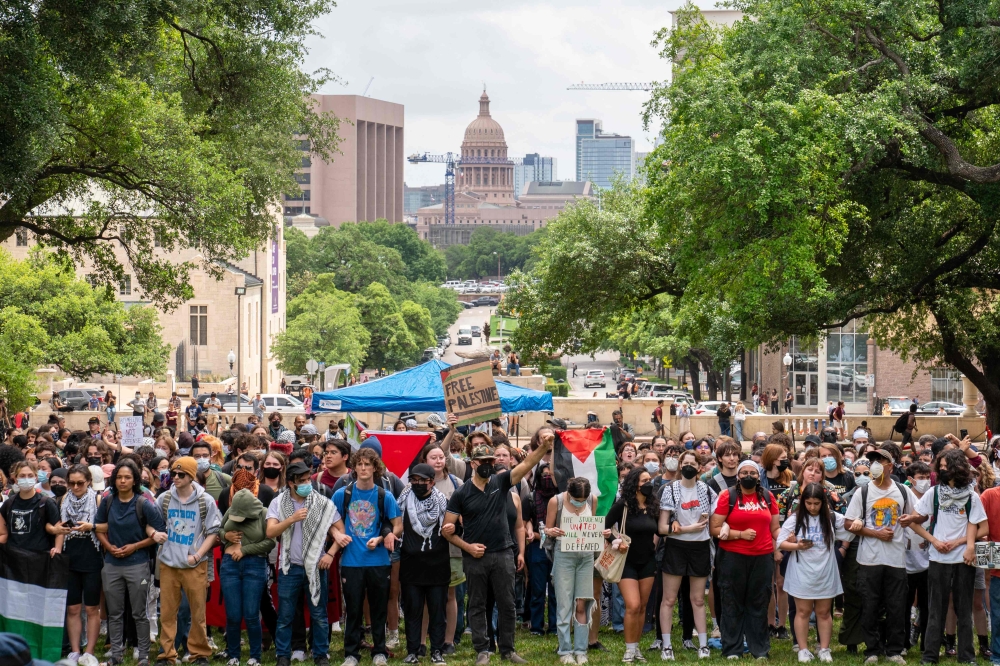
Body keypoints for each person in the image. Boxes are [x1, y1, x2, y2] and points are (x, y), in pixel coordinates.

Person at [442, 435, 552, 666]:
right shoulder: (461, 493)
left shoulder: (500, 483)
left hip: (503, 553)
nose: (489, 465)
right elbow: (446, 530)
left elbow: (526, 465)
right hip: (475, 557)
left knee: (507, 604)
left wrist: (543, 447)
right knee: (477, 604)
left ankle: (508, 650)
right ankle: (482, 650)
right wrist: (468, 547)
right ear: (473, 463)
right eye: (483, 461)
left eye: (491, 462)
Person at [905, 449, 985, 664]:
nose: (941, 470)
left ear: (958, 467)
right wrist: (934, 541)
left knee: (963, 608)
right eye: (939, 466)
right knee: (935, 609)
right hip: (938, 559)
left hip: (963, 559)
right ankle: (930, 655)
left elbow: (979, 526)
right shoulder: (934, 493)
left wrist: (964, 545)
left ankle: (966, 656)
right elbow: (915, 521)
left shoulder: (971, 495)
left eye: (945, 466)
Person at [330, 448, 402, 666]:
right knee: (352, 609)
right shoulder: (343, 494)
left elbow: (398, 525)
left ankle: (379, 651)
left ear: (375, 467)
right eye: (359, 464)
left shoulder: (384, 495)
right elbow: (330, 522)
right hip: (351, 561)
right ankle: (351, 653)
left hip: (378, 560)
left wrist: (383, 538)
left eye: (367, 464)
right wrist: (337, 534)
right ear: (354, 467)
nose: (363, 468)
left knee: (379, 608)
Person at [844, 447, 916, 664]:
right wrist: (875, 533)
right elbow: (849, 523)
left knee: (896, 605)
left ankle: (894, 650)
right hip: (869, 559)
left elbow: (918, 515)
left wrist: (909, 519)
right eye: (872, 460)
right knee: (870, 605)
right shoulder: (863, 492)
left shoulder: (903, 491)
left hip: (896, 559)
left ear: (890, 466)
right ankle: (872, 650)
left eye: (880, 460)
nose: (875, 464)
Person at [267, 460, 340, 666]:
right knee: (286, 615)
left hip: (316, 566)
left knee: (319, 614)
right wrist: (291, 519)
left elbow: (340, 530)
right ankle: (283, 654)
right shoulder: (278, 503)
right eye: (302, 481)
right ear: (291, 483)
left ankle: (320, 655)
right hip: (290, 566)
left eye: (309, 479)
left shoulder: (322, 502)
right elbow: (270, 531)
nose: (307, 483)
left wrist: (331, 554)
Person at [94, 459, 165, 666]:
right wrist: (108, 547)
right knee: (115, 613)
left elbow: (159, 532)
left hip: (138, 563)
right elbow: (98, 528)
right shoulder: (108, 501)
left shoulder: (144, 503)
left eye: (127, 477)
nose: (122, 481)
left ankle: (143, 655)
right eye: (119, 477)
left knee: (138, 612)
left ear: (135, 480)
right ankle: (116, 654)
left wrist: (135, 546)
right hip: (112, 564)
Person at [710, 460, 780, 659]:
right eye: (744, 472)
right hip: (732, 557)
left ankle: (760, 649)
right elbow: (714, 529)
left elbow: (775, 528)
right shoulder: (727, 496)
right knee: (732, 601)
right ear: (738, 476)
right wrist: (739, 534)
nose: (748, 476)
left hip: (762, 557)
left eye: (753, 472)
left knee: (759, 602)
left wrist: (787, 538)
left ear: (759, 476)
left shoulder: (767, 496)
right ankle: (733, 649)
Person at [156, 456, 223, 666]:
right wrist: (154, 534)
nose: (175, 477)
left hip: (195, 564)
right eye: (173, 474)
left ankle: (199, 654)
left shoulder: (205, 501)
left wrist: (197, 555)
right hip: (168, 563)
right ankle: (167, 654)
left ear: (191, 476)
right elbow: (154, 524)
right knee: (167, 612)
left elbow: (214, 531)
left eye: (180, 474)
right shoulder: (164, 499)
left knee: (197, 612)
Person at [777, 482, 853, 663]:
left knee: (824, 612)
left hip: (825, 571)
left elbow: (850, 528)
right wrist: (797, 545)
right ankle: (803, 650)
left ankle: (824, 648)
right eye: (808, 503)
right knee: (802, 612)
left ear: (823, 502)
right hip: (802, 571)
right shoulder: (795, 519)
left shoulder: (833, 518)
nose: (812, 507)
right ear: (803, 502)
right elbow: (781, 543)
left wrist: (857, 522)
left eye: (816, 504)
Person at [658, 450, 717, 660]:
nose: (689, 466)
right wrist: (685, 529)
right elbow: (662, 527)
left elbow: (716, 520)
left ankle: (703, 645)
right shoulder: (670, 490)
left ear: (700, 467)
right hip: (676, 547)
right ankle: (666, 646)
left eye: (693, 463)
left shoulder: (707, 491)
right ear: (680, 465)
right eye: (686, 463)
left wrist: (723, 528)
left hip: (700, 547)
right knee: (669, 598)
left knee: (698, 599)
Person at [604, 466, 660, 663]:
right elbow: (605, 526)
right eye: (644, 481)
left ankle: (636, 648)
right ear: (634, 484)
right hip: (626, 561)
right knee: (633, 605)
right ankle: (628, 650)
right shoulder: (624, 505)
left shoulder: (654, 505)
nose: (648, 483)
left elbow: (660, 530)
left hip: (648, 561)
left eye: (649, 480)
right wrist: (615, 541)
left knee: (643, 607)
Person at [397, 464, 450, 665]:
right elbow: (393, 523)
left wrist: (455, 527)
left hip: (438, 565)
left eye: (422, 480)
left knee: (437, 611)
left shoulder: (443, 502)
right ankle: (412, 651)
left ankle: (437, 651)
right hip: (411, 565)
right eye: (414, 480)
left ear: (432, 482)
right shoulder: (403, 500)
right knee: (413, 610)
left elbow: (456, 529)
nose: (418, 484)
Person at [543, 477, 597, 664]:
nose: (580, 502)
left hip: (586, 555)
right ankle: (565, 650)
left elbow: (592, 527)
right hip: (564, 554)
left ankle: (581, 650)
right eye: (576, 499)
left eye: (583, 500)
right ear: (569, 493)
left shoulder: (592, 500)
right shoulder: (556, 501)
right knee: (565, 605)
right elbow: (546, 529)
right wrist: (551, 532)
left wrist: (601, 533)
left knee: (583, 602)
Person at [220, 488, 276, 666]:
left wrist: (245, 550)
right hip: (229, 564)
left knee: (252, 614)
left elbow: (270, 542)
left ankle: (255, 656)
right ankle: (233, 655)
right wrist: (225, 535)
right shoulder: (232, 509)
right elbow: (220, 530)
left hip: (255, 565)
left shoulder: (264, 514)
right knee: (233, 615)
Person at [61, 465, 103, 663]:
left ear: (88, 482)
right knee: (73, 608)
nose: (75, 487)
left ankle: (90, 650)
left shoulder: (97, 499)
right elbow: (59, 529)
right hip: (70, 556)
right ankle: (75, 649)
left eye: (80, 483)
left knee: (92, 608)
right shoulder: (64, 499)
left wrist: (91, 526)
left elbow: (106, 526)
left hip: (92, 555)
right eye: (71, 483)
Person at [0, 460, 66, 554]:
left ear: (36, 478)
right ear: (15, 479)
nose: (26, 479)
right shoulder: (9, 503)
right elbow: (3, 532)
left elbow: (59, 528)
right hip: (13, 558)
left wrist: (57, 549)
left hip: (38, 558)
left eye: (30, 476)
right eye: (22, 476)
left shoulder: (46, 502)